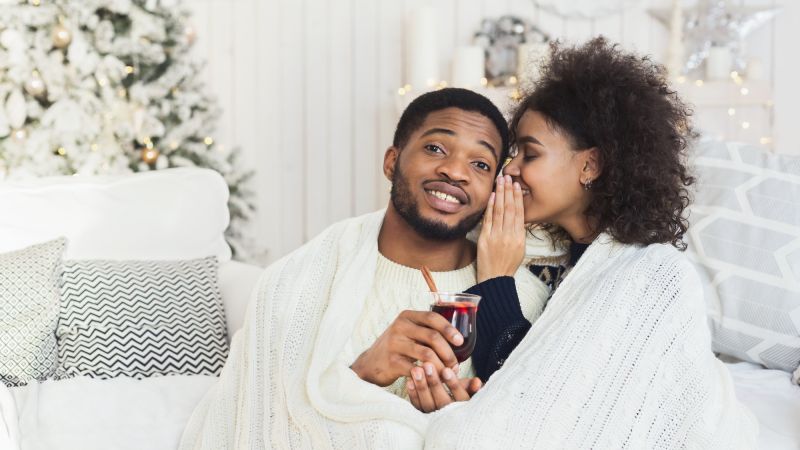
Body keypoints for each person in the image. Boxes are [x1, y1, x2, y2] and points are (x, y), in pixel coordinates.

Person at [407, 38, 759, 449]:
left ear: (590, 165)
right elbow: (526, 384)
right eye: (514, 152)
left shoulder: (650, 272)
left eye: (530, 154)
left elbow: (541, 416)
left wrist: (495, 281)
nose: (512, 169)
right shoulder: (564, 262)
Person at [179, 88, 548, 449]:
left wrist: (461, 424)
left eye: (480, 164)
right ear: (392, 162)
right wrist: (362, 375)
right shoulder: (297, 282)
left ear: (496, 188)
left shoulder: (522, 300)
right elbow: (256, 424)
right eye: (435, 148)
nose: (454, 171)